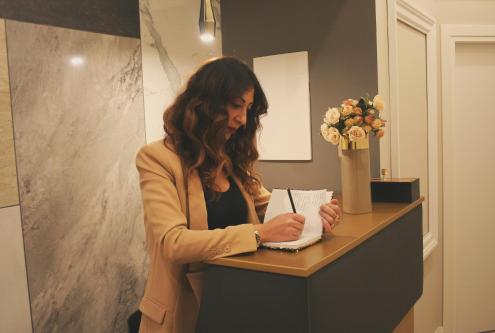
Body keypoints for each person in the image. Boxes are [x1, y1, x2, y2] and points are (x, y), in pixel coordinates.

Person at [135, 56, 341, 333]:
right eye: (235, 105)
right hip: (187, 312)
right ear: (205, 101)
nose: (242, 119)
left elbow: (269, 206)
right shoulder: (157, 158)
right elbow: (174, 243)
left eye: (247, 109)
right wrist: (259, 233)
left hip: (237, 301)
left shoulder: (229, 157)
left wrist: (314, 214)